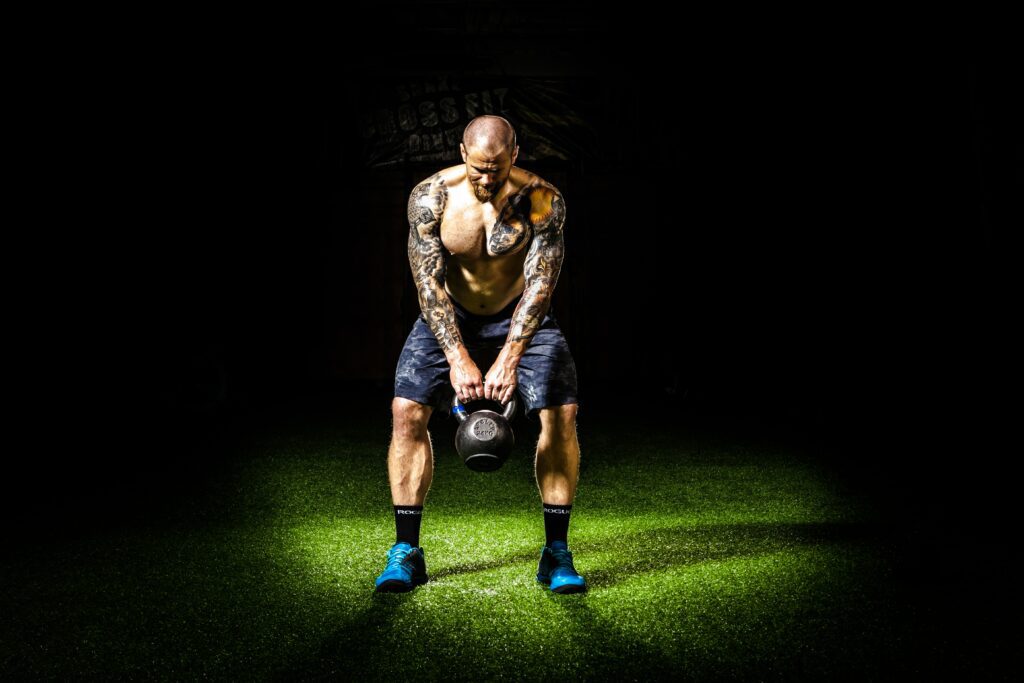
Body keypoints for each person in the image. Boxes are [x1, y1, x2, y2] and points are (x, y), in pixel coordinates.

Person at [374, 115, 586, 594]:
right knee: (407, 412)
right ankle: (406, 550)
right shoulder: (433, 197)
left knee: (562, 414)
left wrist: (510, 356)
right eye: (478, 169)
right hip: (450, 316)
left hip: (520, 317)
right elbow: (427, 284)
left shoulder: (540, 200)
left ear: (515, 154)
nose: (487, 179)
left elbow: (540, 285)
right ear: (462, 153)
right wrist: (457, 356)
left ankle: (556, 553)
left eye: (496, 168)